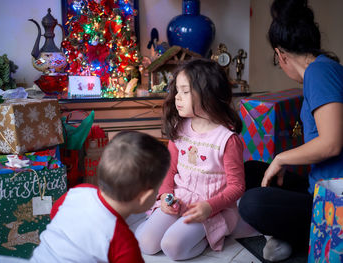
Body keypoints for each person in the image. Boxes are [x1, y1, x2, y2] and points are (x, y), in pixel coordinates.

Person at [238, 0, 343, 262]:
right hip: (319, 188)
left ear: (280, 55)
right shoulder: (324, 69)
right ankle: (285, 233)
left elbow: (331, 143)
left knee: (253, 204)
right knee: (250, 171)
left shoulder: (319, 73)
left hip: (333, 203)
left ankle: (291, 236)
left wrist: (281, 158)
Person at [135, 58, 245, 260]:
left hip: (209, 208)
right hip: (179, 200)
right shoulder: (180, 129)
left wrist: (209, 207)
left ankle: (209, 236)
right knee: (147, 245)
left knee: (172, 248)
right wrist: (165, 196)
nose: (177, 97)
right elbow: (170, 169)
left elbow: (237, 186)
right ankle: (161, 221)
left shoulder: (227, 139)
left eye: (185, 92)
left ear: (208, 95)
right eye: (177, 91)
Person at [30, 131, 171, 263]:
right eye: (157, 189)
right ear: (144, 197)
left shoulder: (78, 192)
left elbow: (55, 212)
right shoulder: (122, 241)